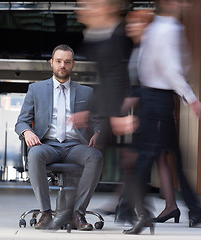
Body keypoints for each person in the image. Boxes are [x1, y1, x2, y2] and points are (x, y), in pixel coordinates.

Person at [121, 0, 201, 235]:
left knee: (171, 158)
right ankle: (135, 211)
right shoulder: (168, 28)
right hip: (158, 101)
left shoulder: (161, 27)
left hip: (157, 100)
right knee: (147, 159)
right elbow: (171, 68)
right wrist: (191, 98)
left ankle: (193, 210)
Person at [15, 44, 103, 231]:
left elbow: (97, 121)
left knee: (95, 156)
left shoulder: (86, 92)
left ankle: (78, 213)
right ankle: (46, 213)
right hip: (47, 145)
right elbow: (21, 122)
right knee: (35, 154)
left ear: (73, 65)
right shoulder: (36, 90)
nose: (62, 65)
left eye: (67, 62)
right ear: (51, 63)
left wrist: (98, 132)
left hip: (74, 146)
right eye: (59, 61)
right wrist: (27, 132)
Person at [75, 0, 138, 225]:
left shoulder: (121, 33)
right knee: (118, 156)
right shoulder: (94, 35)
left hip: (128, 102)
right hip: (113, 103)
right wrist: (91, 110)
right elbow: (105, 78)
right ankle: (124, 207)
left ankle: (129, 208)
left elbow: (124, 75)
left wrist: (122, 112)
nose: (83, 9)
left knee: (132, 158)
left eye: (91, 4)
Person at [125, 9, 180, 223]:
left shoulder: (150, 48)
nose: (131, 27)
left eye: (135, 22)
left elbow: (162, 80)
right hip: (147, 111)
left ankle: (130, 206)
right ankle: (170, 206)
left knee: (140, 158)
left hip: (153, 111)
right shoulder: (140, 47)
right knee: (158, 159)